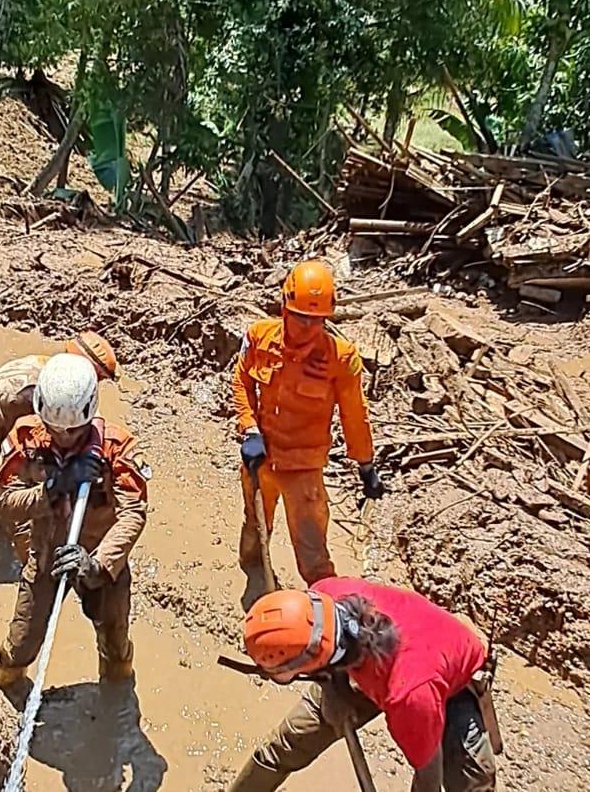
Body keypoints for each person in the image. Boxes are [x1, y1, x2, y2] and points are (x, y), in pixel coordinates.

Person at [229, 579, 499, 791]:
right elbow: (335, 651)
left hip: (451, 682)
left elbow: (429, 774)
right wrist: (334, 690)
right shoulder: (325, 596)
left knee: (471, 781)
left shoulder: (408, 694)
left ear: (310, 660)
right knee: (290, 743)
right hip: (368, 664)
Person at [0, 353, 149, 688]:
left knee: (115, 640)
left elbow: (132, 512)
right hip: (47, 556)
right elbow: (8, 503)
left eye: (73, 430)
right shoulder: (25, 441)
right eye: (55, 428)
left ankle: (115, 695)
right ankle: (7, 687)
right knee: (21, 641)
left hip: (100, 561)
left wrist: (97, 565)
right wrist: (53, 488)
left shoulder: (116, 448)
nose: (63, 436)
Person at [231, 260, 382, 584]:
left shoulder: (341, 359)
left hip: (304, 469)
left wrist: (365, 465)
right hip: (260, 458)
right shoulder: (259, 337)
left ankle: (330, 615)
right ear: (284, 307)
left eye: (317, 320)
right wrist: (250, 428)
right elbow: (241, 379)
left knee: (314, 557)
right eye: (301, 318)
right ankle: (255, 585)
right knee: (255, 530)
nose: (309, 328)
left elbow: (354, 415)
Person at [0, 331, 119, 559]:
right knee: (12, 493)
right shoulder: (45, 390)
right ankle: (30, 561)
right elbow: (48, 431)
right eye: (99, 379)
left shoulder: (43, 364)